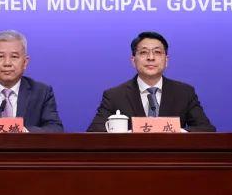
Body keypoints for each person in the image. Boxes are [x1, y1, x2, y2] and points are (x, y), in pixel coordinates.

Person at [86, 31, 215, 132]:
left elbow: (206, 129)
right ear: (133, 60)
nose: (151, 58)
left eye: (157, 52)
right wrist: (127, 134)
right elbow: (94, 132)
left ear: (166, 60)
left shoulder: (184, 93)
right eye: (144, 52)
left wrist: (179, 132)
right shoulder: (115, 95)